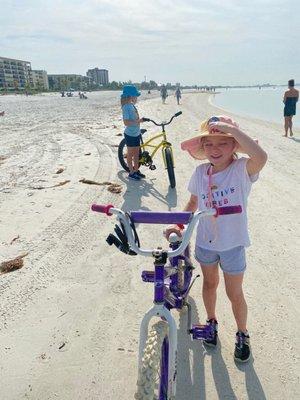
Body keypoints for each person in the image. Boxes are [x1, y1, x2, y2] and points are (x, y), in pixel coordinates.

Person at [165, 115, 267, 362]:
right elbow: (192, 202)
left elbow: (261, 157)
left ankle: (242, 333)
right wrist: (178, 225)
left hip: (233, 244)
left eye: (223, 142)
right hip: (205, 242)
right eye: (209, 143)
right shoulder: (200, 172)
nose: (215, 149)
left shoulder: (242, 169)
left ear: (234, 145)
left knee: (235, 293)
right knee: (209, 284)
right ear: (202, 148)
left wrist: (230, 129)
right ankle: (211, 322)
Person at [121, 85, 146, 181]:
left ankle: (136, 170)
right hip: (130, 134)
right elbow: (126, 122)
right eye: (135, 96)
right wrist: (139, 121)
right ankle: (131, 172)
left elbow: (134, 119)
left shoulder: (131, 105)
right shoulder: (126, 107)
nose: (136, 97)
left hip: (136, 133)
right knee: (130, 154)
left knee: (136, 154)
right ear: (130, 96)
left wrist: (139, 121)